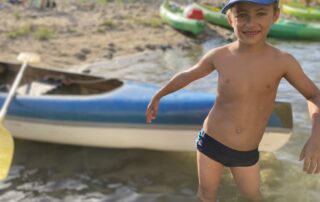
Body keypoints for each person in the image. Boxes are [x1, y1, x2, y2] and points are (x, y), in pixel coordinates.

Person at [146, 0, 320, 201]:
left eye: (261, 13)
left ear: (276, 16)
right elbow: (187, 75)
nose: (250, 23)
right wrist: (159, 95)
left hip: (246, 152)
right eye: (242, 15)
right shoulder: (220, 56)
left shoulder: (282, 61)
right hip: (211, 141)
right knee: (205, 196)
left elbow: (314, 95)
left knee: (254, 197)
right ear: (230, 19)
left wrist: (315, 137)